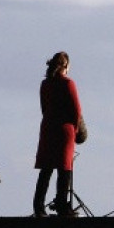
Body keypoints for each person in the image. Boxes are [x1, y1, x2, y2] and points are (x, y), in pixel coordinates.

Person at [33, 52, 82, 217]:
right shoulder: (68, 83)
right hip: (64, 129)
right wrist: (75, 130)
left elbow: (43, 108)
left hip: (48, 127)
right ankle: (62, 205)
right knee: (64, 168)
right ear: (65, 66)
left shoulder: (45, 84)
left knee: (46, 169)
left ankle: (38, 207)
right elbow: (76, 111)